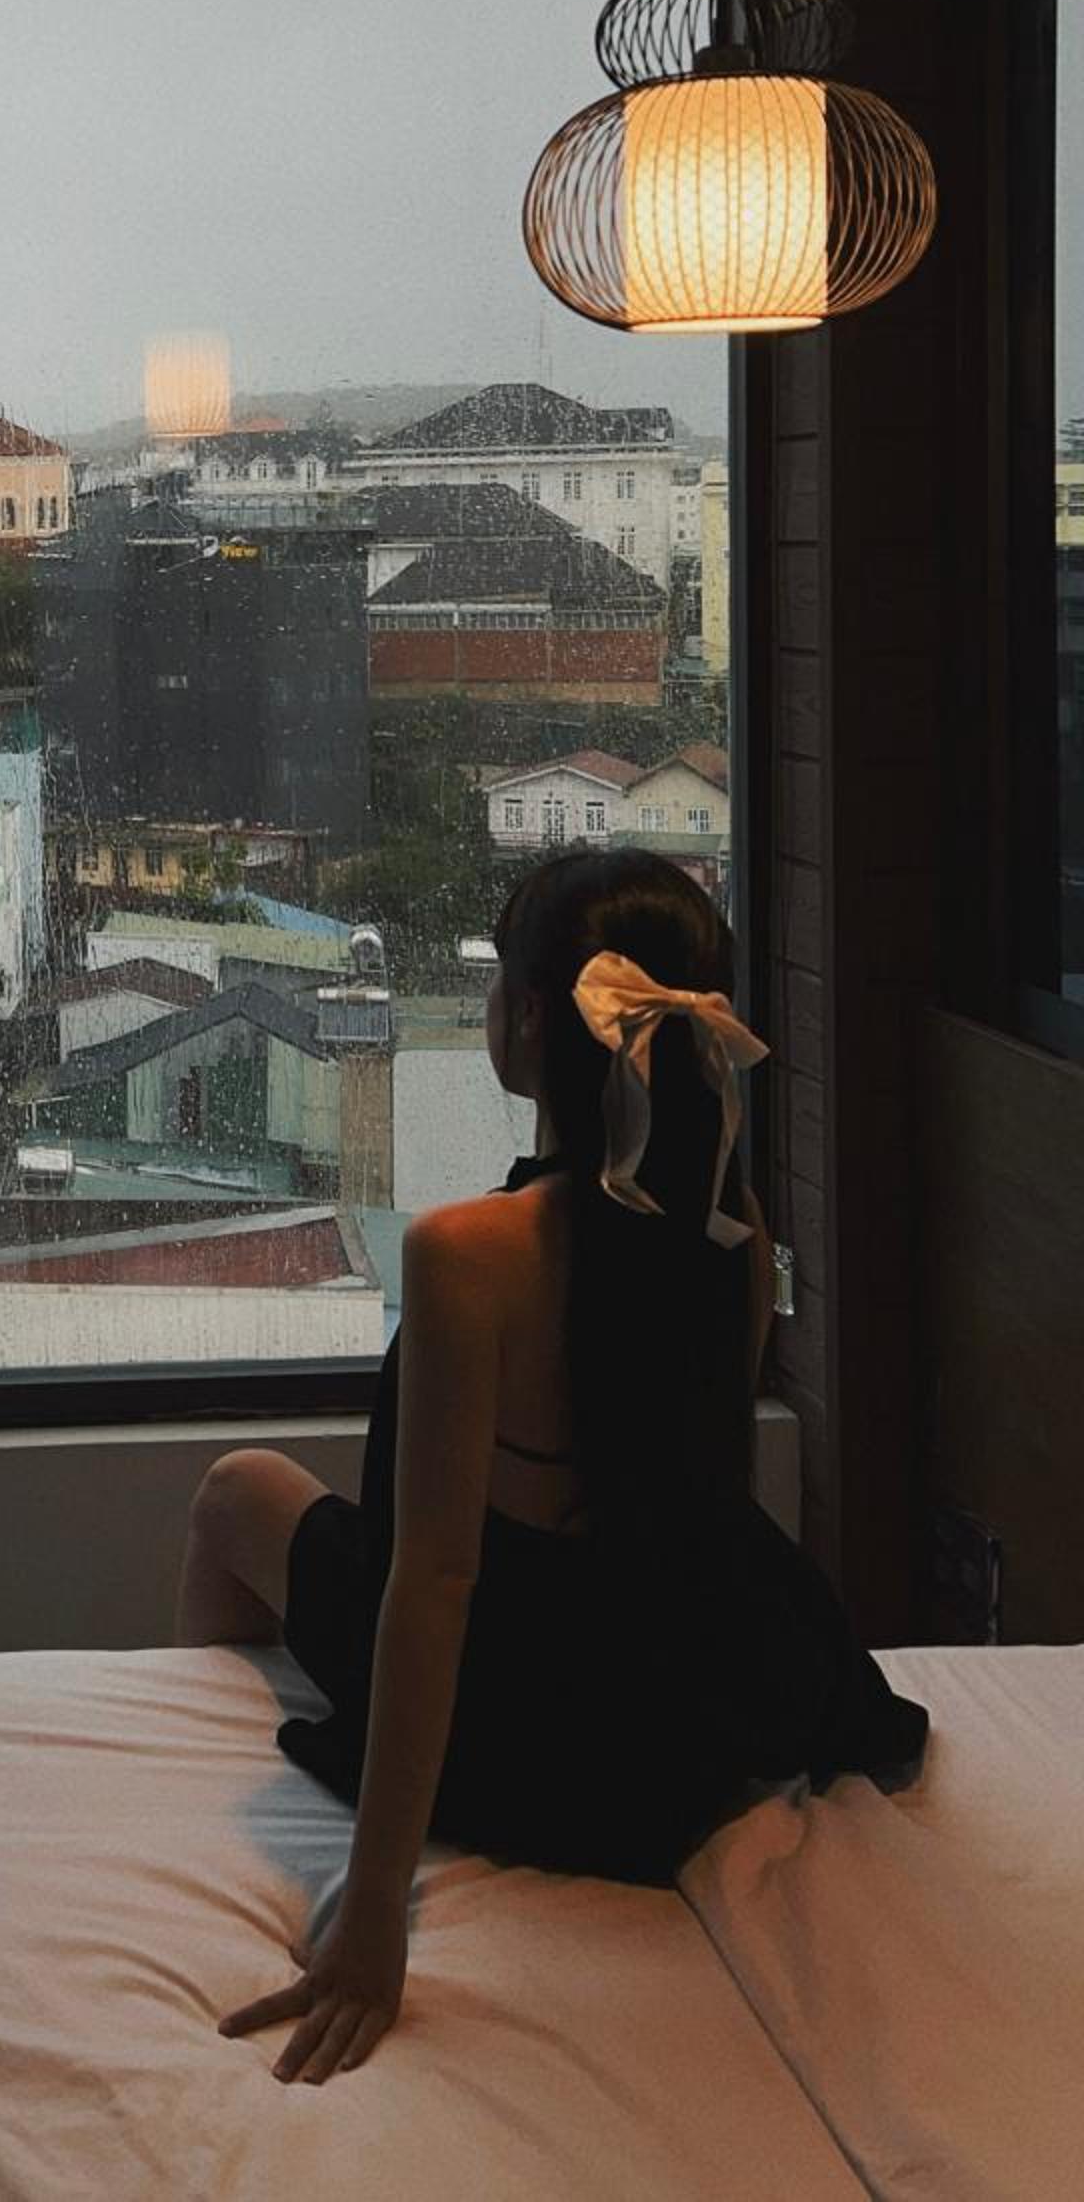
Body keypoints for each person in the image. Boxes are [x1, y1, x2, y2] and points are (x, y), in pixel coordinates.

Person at [176, 846, 927, 2088]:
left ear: (531, 1019)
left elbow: (435, 1586)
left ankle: (180, 1747)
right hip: (671, 1723)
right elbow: (707, 1516)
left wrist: (372, 1913)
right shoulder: (732, 1238)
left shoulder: (469, 1254)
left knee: (235, 1492)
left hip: (517, 1726)